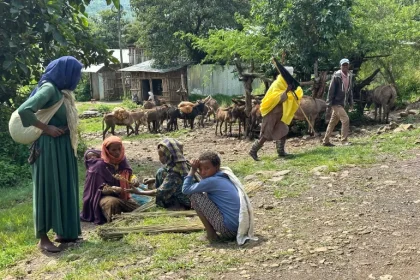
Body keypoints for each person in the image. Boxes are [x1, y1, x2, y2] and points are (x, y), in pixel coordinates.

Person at [17, 56, 83, 252]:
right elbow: (24, 110)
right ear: (65, 73)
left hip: (63, 146)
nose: (77, 77)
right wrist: (46, 128)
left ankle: (65, 231)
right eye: (75, 73)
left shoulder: (63, 92)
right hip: (49, 147)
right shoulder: (49, 89)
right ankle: (43, 239)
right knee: (47, 187)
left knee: (64, 185)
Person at [182, 151, 257, 245]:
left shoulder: (211, 181)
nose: (203, 172)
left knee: (194, 195)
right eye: (200, 169)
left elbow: (185, 189)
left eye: (207, 168)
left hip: (229, 230)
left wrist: (192, 170)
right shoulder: (223, 176)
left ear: (216, 168)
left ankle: (211, 234)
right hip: (240, 228)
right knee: (200, 195)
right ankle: (212, 232)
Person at [80, 136, 140, 224]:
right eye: (114, 150)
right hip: (103, 198)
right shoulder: (98, 167)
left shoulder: (122, 160)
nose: (118, 152)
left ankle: (122, 217)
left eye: (119, 149)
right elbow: (96, 190)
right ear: (107, 150)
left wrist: (134, 179)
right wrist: (111, 189)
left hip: (123, 196)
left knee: (139, 209)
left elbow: (129, 174)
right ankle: (114, 222)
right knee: (112, 202)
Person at [249, 73, 304, 161]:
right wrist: (286, 91)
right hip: (271, 113)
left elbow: (291, 97)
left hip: (280, 113)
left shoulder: (286, 84)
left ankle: (281, 151)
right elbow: (277, 98)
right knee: (266, 133)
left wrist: (291, 92)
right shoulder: (277, 84)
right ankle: (253, 151)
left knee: (284, 130)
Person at [127, 138, 191, 210]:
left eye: (162, 156)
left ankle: (177, 206)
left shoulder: (174, 173)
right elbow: (174, 183)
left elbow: (160, 192)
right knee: (161, 171)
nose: (160, 158)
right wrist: (154, 180)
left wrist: (139, 192)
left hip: (184, 202)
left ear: (169, 156)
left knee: (143, 194)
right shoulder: (182, 165)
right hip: (182, 193)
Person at [323, 58, 354, 146]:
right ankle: (344, 141)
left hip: (342, 103)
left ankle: (325, 141)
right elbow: (331, 90)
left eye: (346, 65)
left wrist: (351, 103)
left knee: (333, 122)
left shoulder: (350, 75)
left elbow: (350, 90)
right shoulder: (336, 76)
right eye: (343, 65)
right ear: (340, 66)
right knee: (345, 120)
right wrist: (329, 104)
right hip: (336, 103)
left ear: (348, 65)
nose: (345, 66)